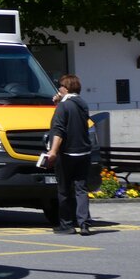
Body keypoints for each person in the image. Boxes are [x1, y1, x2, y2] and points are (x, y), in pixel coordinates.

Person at [44, 74, 94, 236]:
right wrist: (60, 101)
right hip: (84, 152)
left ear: (65, 89)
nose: (58, 89)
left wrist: (52, 151)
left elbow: (59, 130)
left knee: (64, 190)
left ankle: (67, 224)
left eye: (60, 87)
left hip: (67, 153)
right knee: (81, 189)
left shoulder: (63, 107)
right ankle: (84, 223)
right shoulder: (82, 104)